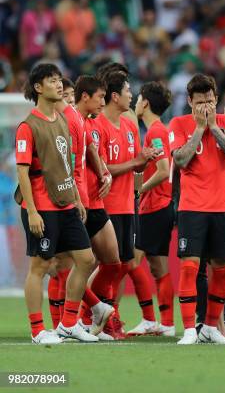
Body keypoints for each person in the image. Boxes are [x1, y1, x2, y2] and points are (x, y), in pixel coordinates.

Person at [17, 63, 98, 343]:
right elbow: (22, 172)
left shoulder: (63, 119)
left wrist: (76, 198)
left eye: (58, 80)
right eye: (52, 81)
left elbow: (68, 164)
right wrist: (33, 212)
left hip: (66, 204)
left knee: (86, 260)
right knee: (39, 267)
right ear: (38, 88)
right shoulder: (28, 127)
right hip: (42, 206)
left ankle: (68, 323)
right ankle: (38, 330)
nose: (59, 85)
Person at [169, 74, 225, 344]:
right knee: (190, 267)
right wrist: (200, 128)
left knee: (223, 268)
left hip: (222, 207)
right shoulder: (178, 124)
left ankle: (211, 327)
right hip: (192, 207)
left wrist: (214, 127)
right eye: (200, 102)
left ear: (216, 99)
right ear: (189, 101)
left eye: (210, 101)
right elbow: (180, 159)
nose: (205, 107)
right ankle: (190, 329)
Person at [97, 71, 158, 335]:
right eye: (128, 90)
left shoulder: (131, 126)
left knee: (121, 265)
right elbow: (101, 167)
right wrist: (135, 162)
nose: (132, 95)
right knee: (105, 265)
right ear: (114, 96)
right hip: (105, 205)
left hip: (126, 204)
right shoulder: (98, 125)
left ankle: (103, 314)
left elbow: (136, 165)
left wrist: (145, 159)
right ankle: (89, 312)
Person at [76, 75, 123, 340]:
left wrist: (105, 173)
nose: (102, 103)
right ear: (85, 96)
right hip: (76, 201)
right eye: (99, 97)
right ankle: (80, 317)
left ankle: (94, 312)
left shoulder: (89, 123)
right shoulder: (70, 120)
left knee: (113, 262)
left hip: (95, 201)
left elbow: (94, 153)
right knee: (70, 265)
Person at [128, 82, 175, 337]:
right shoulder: (160, 130)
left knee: (131, 262)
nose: (135, 102)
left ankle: (149, 319)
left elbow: (164, 170)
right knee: (158, 266)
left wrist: (140, 189)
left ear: (145, 103)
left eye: (137, 98)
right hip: (161, 206)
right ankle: (166, 324)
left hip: (155, 206)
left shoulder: (154, 132)